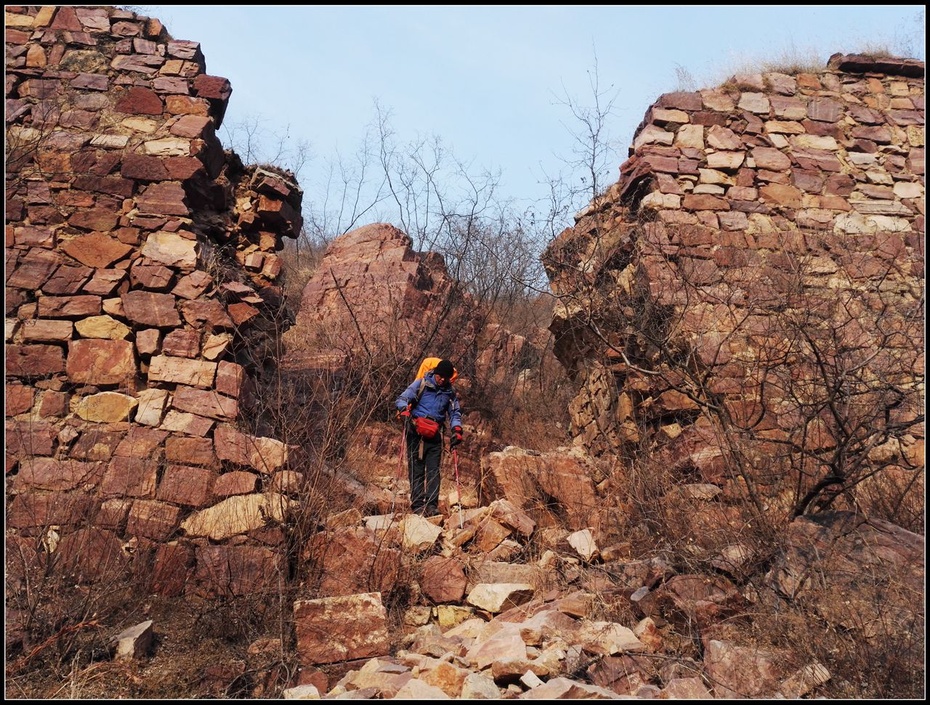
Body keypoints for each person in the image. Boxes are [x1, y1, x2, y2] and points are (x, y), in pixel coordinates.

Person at [395, 359, 463, 517]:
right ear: (435, 373)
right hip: (415, 433)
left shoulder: (450, 393)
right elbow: (401, 399)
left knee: (434, 472)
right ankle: (417, 505)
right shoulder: (421, 384)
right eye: (440, 377)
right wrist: (404, 412)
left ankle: (432, 507)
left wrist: (457, 430)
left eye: (445, 378)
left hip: (435, 436)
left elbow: (455, 413)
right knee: (416, 470)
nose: (442, 380)